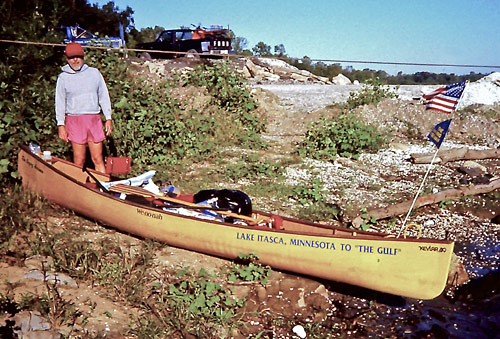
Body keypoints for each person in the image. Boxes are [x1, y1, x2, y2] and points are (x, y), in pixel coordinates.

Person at [55, 42, 112, 173]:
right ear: (66, 59)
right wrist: (60, 125)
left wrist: (108, 118)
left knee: (97, 159)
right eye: (71, 57)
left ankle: (104, 188)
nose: (75, 60)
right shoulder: (63, 77)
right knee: (79, 160)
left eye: (78, 56)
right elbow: (59, 102)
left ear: (83, 56)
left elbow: (104, 96)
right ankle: (78, 189)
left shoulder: (94, 73)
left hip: (93, 120)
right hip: (74, 121)